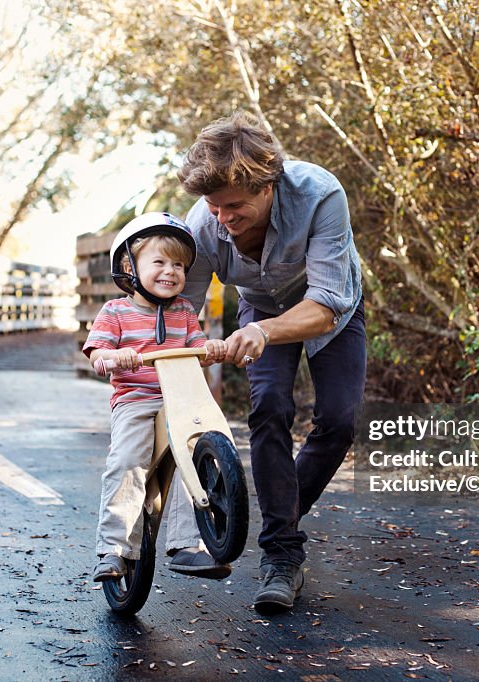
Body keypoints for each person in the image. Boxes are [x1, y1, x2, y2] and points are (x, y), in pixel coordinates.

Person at [177, 111, 366, 614]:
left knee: (338, 422)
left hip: (331, 305)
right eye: (213, 207)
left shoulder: (320, 195)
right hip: (260, 303)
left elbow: (326, 304)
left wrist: (260, 331)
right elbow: (183, 317)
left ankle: (273, 522)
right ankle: (281, 557)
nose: (223, 219)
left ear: (268, 186)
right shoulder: (205, 223)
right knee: (269, 407)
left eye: (234, 206)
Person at [83, 211, 230, 583]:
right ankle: (114, 548)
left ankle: (187, 544)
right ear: (129, 268)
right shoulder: (115, 312)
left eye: (179, 265)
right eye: (160, 261)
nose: (171, 271)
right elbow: (97, 353)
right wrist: (114, 357)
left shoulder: (183, 312)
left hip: (180, 399)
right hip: (137, 400)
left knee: (193, 455)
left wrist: (210, 348)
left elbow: (198, 345)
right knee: (129, 461)